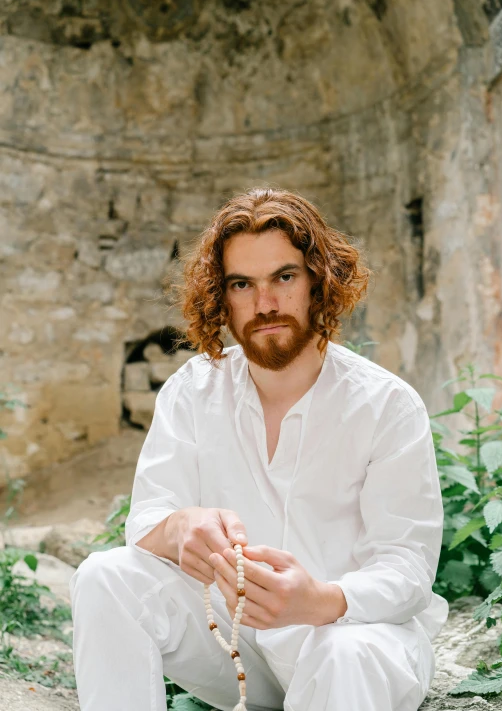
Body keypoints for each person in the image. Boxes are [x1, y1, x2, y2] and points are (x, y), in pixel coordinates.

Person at [69, 186, 449, 711]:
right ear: (221, 297)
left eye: (284, 277)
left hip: (353, 637)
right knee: (103, 578)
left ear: (320, 280)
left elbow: (407, 569)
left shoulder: (387, 406)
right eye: (242, 284)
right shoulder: (193, 389)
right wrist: (182, 527)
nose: (265, 303)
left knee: (345, 655)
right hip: (236, 640)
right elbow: (148, 519)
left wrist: (321, 600)